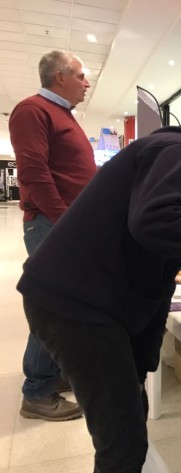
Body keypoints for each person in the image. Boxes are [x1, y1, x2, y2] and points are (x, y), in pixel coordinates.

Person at [16, 108, 181, 472]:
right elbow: (154, 220)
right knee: (122, 441)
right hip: (75, 303)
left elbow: (161, 273)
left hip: (86, 302)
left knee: (129, 420)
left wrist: (141, 363)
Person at [9, 50, 95, 421]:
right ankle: (38, 390)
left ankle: (54, 374)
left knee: (65, 304)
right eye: (81, 76)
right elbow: (33, 172)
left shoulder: (62, 115)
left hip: (63, 224)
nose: (86, 83)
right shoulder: (33, 110)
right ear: (59, 77)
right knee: (53, 307)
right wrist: (65, 222)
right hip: (51, 224)